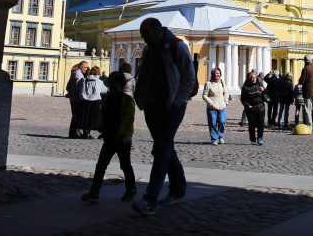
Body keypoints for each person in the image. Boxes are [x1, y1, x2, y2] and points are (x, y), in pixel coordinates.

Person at [131, 17, 195, 216]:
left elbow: (189, 77)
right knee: (166, 148)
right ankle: (178, 189)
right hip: (152, 106)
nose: (145, 40)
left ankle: (150, 200)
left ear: (158, 31)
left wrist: (176, 102)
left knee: (161, 150)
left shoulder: (177, 46)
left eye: (147, 36)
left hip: (171, 108)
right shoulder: (150, 48)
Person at [80, 71, 138, 204]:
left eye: (115, 83)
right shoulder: (107, 99)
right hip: (109, 137)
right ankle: (94, 192)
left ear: (121, 85)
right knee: (100, 166)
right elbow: (103, 115)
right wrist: (101, 127)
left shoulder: (128, 101)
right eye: (110, 83)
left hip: (122, 139)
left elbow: (128, 121)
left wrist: (121, 134)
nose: (112, 85)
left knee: (125, 165)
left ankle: (131, 189)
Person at [79, 66, 107, 139]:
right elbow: (103, 90)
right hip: (95, 101)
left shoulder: (85, 80)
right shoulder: (99, 81)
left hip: (85, 101)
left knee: (85, 117)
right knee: (91, 118)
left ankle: (84, 132)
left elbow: (81, 89)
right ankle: (88, 132)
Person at [202, 67, 227, 144]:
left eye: (219, 73)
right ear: (213, 74)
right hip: (212, 107)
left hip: (222, 106)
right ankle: (214, 139)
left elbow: (226, 92)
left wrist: (225, 102)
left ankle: (221, 136)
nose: (217, 75)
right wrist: (211, 103)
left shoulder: (222, 82)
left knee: (222, 121)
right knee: (212, 123)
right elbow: (204, 95)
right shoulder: (208, 84)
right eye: (216, 73)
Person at [241, 71, 266, 145]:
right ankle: (252, 139)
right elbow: (243, 99)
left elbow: (266, 95)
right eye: (252, 78)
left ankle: (260, 138)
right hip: (251, 108)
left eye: (255, 77)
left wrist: (264, 90)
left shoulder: (260, 85)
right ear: (249, 78)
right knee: (251, 124)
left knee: (261, 123)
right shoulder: (245, 87)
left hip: (260, 107)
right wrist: (248, 105)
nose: (253, 79)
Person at [298, 56, 313, 130]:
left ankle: (310, 126)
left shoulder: (305, 69)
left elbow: (302, 81)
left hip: (307, 92)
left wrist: (301, 82)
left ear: (305, 61)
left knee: (308, 109)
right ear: (311, 60)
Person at [67, 60, 89, 138]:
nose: (86, 69)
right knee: (76, 116)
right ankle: (73, 133)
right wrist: (72, 94)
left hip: (73, 98)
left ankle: (74, 132)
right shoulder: (79, 75)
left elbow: (68, 85)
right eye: (85, 67)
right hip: (77, 99)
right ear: (81, 67)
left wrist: (69, 93)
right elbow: (78, 88)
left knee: (75, 115)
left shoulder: (74, 73)